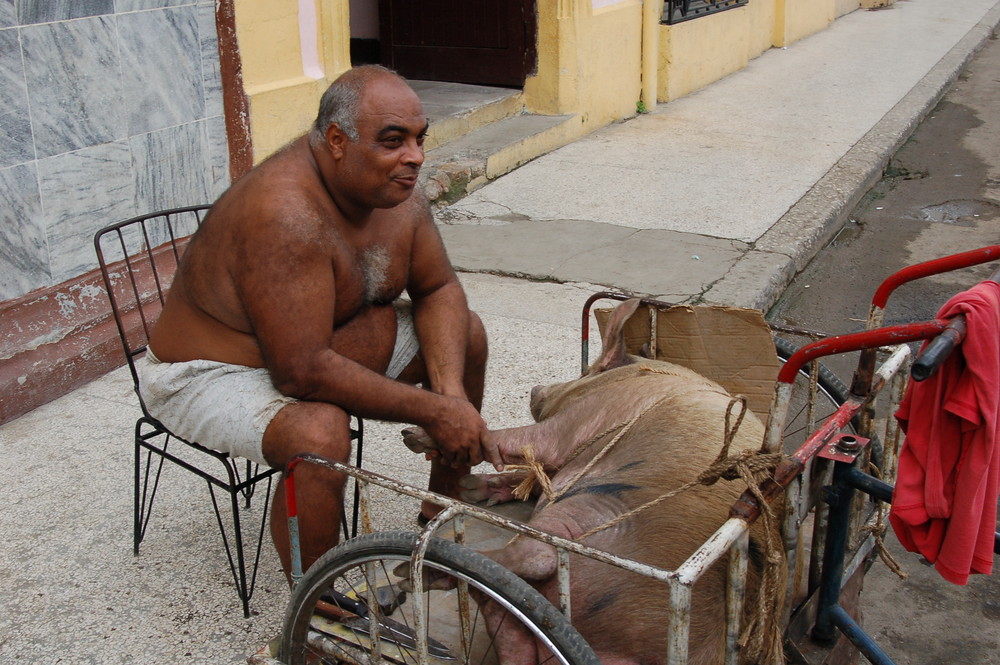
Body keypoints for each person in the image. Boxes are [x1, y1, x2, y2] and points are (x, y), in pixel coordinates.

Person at [139, 65, 500, 576]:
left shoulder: (395, 189)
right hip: (207, 372)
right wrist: (436, 412)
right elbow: (301, 372)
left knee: (467, 334)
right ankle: (315, 617)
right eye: (393, 140)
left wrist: (451, 397)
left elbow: (438, 288)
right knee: (321, 432)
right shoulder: (286, 212)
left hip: (311, 343)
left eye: (420, 139)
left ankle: (437, 517)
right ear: (336, 140)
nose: (415, 157)